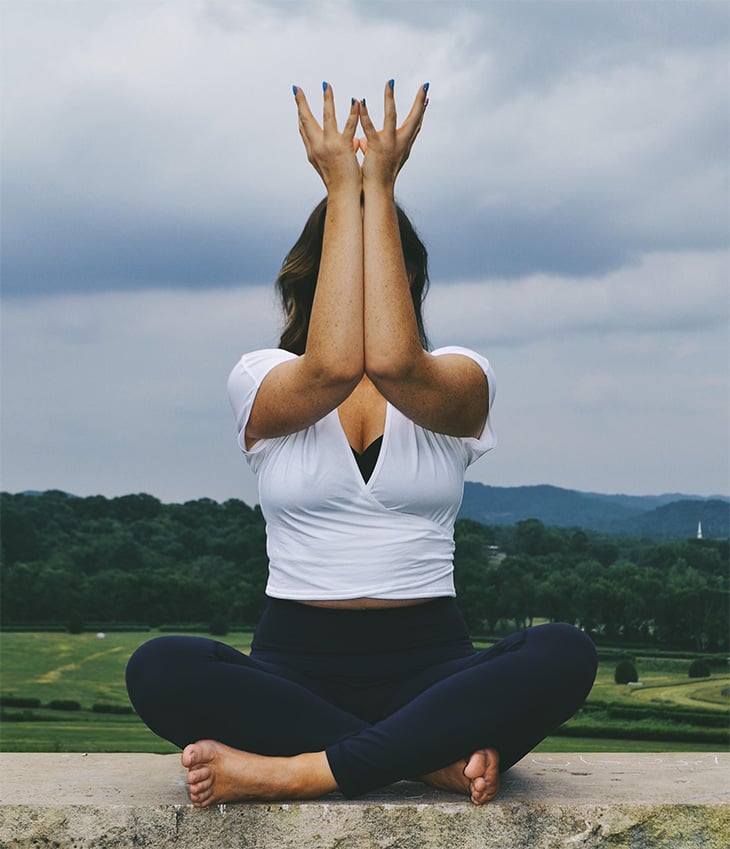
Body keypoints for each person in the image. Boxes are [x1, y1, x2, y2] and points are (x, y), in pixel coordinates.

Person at [125, 80, 597, 808]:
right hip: (293, 667)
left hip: (434, 666)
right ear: (313, 277)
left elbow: (398, 364)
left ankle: (302, 769)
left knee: (566, 649)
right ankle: (425, 759)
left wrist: (379, 183)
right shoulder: (263, 377)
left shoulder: (464, 378)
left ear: (409, 281)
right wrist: (345, 185)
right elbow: (336, 365)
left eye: (388, 270)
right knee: (159, 666)